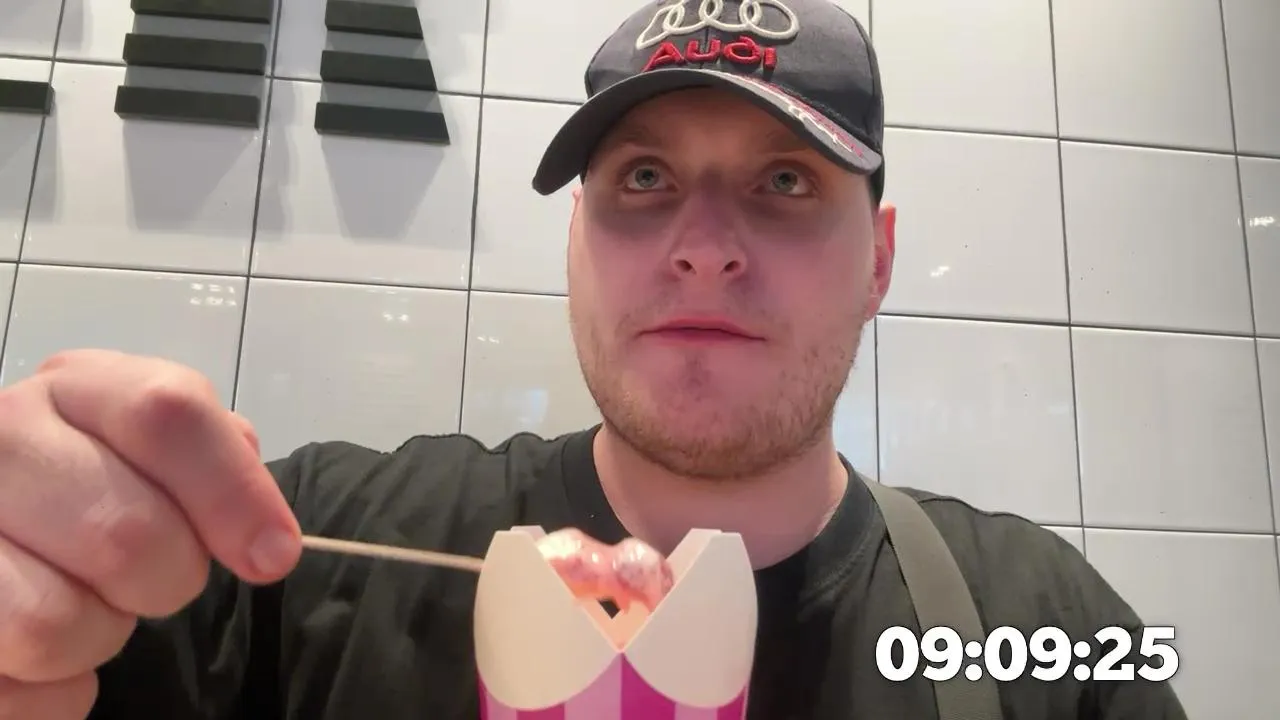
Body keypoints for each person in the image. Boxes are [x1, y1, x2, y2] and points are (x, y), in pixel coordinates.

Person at [0, 1, 1188, 718]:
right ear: (575, 240)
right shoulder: (301, 557)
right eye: (643, 178)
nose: (703, 247)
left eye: (784, 181)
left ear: (876, 261)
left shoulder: (1039, 630)